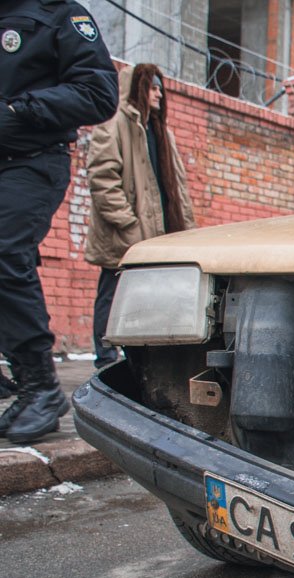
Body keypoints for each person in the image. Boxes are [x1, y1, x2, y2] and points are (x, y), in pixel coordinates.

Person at [0, 0, 119, 445]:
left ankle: (42, 389)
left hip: (30, 161)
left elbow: (99, 92)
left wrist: (19, 111)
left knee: (5, 254)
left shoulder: (59, 13)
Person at [86, 63, 196, 367]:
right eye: (153, 86)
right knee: (113, 290)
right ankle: (105, 358)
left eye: (161, 86)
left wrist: (187, 229)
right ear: (137, 88)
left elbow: (178, 189)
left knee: (155, 298)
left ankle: (143, 357)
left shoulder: (163, 133)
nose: (160, 92)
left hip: (161, 232)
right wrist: (128, 224)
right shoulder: (115, 124)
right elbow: (102, 178)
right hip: (126, 232)